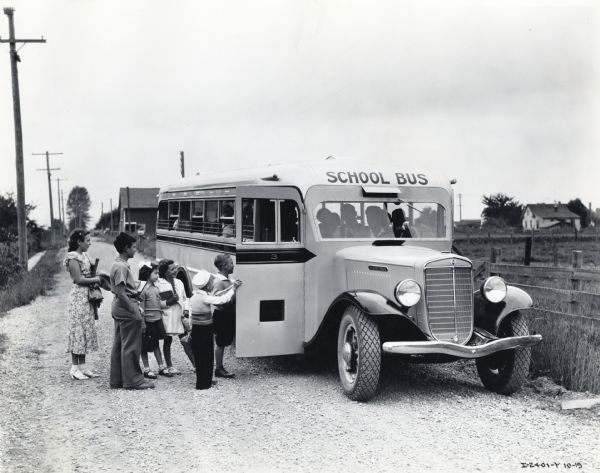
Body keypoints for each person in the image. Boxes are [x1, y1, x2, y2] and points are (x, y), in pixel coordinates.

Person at [109, 232, 154, 390]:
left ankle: (117, 380)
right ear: (126, 248)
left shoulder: (118, 264)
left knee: (120, 344)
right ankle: (133, 381)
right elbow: (121, 293)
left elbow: (119, 290)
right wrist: (134, 311)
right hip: (126, 308)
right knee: (131, 346)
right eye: (133, 247)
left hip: (119, 307)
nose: (135, 249)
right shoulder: (121, 267)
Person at [189, 270, 242, 389]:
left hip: (196, 329)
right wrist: (233, 290)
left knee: (199, 356)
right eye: (212, 282)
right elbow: (221, 300)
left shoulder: (194, 296)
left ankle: (202, 381)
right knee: (207, 355)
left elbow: (190, 315)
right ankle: (205, 383)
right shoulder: (205, 298)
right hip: (205, 329)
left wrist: (231, 287)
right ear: (207, 285)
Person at [64, 229, 103, 380]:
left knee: (86, 329)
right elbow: (78, 279)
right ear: (79, 242)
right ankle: (74, 368)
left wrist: (99, 275)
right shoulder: (72, 257)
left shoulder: (85, 255)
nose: (90, 243)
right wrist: (96, 280)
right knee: (78, 331)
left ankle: (83, 366)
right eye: (87, 240)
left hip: (87, 297)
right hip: (78, 297)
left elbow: (92, 272)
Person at [157, 259, 189, 375]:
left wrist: (186, 310)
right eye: (172, 269)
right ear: (165, 272)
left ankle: (196, 364)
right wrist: (169, 302)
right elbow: (157, 303)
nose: (176, 271)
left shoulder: (179, 282)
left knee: (186, 340)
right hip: (167, 316)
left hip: (180, 315)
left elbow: (185, 298)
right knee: (167, 340)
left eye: (176, 268)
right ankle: (169, 366)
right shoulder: (158, 284)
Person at [138, 262, 168, 380]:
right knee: (144, 346)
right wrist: (143, 323)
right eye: (155, 273)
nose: (158, 276)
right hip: (148, 321)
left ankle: (161, 366)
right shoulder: (143, 290)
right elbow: (141, 308)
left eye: (158, 273)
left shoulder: (156, 288)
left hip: (157, 320)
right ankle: (146, 369)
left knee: (156, 343)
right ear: (147, 274)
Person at [212, 254, 237, 378]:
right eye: (231, 262)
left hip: (228, 314)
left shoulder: (229, 280)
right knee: (220, 342)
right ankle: (219, 368)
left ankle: (220, 366)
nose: (234, 265)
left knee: (225, 340)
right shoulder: (219, 281)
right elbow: (217, 299)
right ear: (224, 266)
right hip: (222, 315)